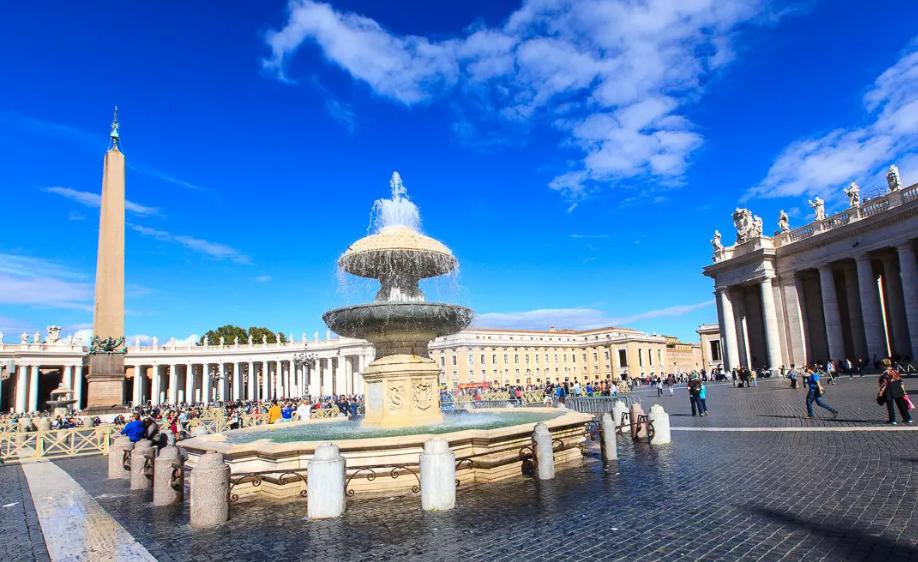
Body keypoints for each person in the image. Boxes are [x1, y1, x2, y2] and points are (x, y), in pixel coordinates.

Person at [878, 359, 912, 425]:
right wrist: (903, 390)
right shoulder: (895, 371)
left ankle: (892, 420)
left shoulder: (885, 373)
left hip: (889, 390)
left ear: (883, 365)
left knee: (890, 406)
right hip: (898, 389)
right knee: (901, 405)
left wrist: (880, 392)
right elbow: (901, 381)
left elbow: (884, 384)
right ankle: (908, 418)